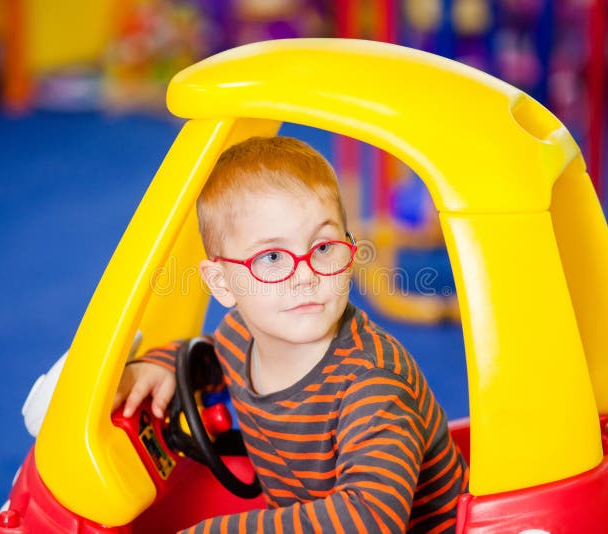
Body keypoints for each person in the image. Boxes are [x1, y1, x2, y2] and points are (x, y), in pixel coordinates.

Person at [113, 135, 468, 533]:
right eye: (272, 257)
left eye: (323, 247)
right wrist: (161, 366)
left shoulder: (371, 384)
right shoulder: (239, 336)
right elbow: (207, 358)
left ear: (350, 247)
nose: (305, 275)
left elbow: (368, 521)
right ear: (222, 283)